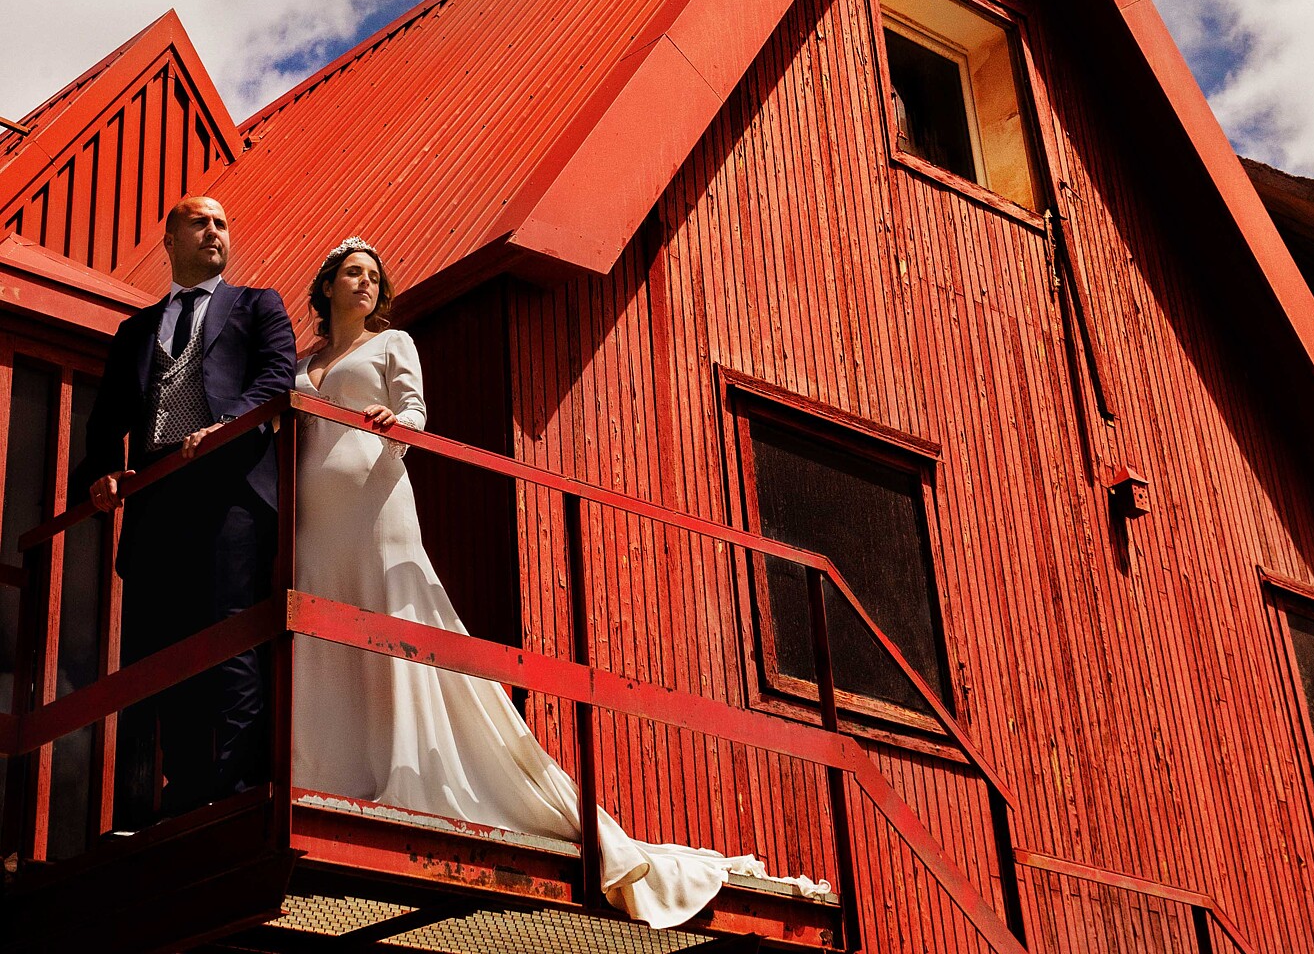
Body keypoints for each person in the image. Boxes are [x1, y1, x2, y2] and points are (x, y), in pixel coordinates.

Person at [293, 237, 814, 930]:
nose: (365, 284)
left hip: (375, 504)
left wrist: (398, 422)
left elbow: (417, 413)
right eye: (352, 274)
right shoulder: (304, 362)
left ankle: (404, 769)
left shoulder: (396, 343)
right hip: (314, 518)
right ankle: (329, 766)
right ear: (328, 285)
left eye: (373, 277)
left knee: (389, 620)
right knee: (324, 629)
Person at [77, 194, 297, 821]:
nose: (213, 232)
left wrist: (225, 424)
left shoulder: (258, 305)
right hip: (155, 499)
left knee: (231, 633)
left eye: (222, 223)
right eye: (198, 223)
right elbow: (108, 418)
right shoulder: (136, 331)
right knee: (163, 642)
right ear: (169, 239)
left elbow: (277, 376)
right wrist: (99, 474)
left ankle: (232, 788)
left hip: (229, 490)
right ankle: (184, 784)